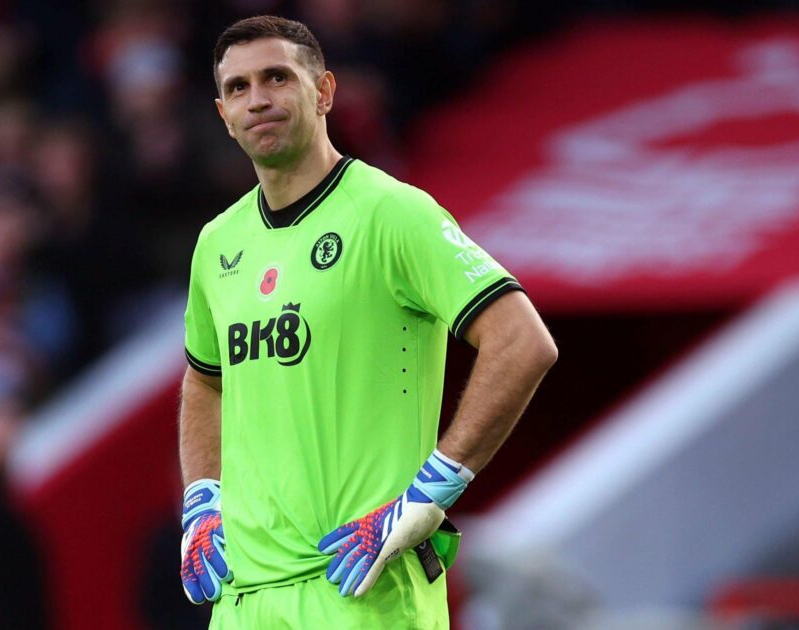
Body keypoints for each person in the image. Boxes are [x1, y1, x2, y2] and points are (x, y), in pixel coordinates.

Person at [178, 15, 557, 629]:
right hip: (245, 597)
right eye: (239, 88)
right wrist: (202, 499)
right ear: (222, 112)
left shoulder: (391, 212)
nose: (259, 99)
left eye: (277, 77)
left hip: (361, 585)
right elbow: (204, 378)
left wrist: (434, 490)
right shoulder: (217, 242)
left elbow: (521, 341)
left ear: (324, 91)